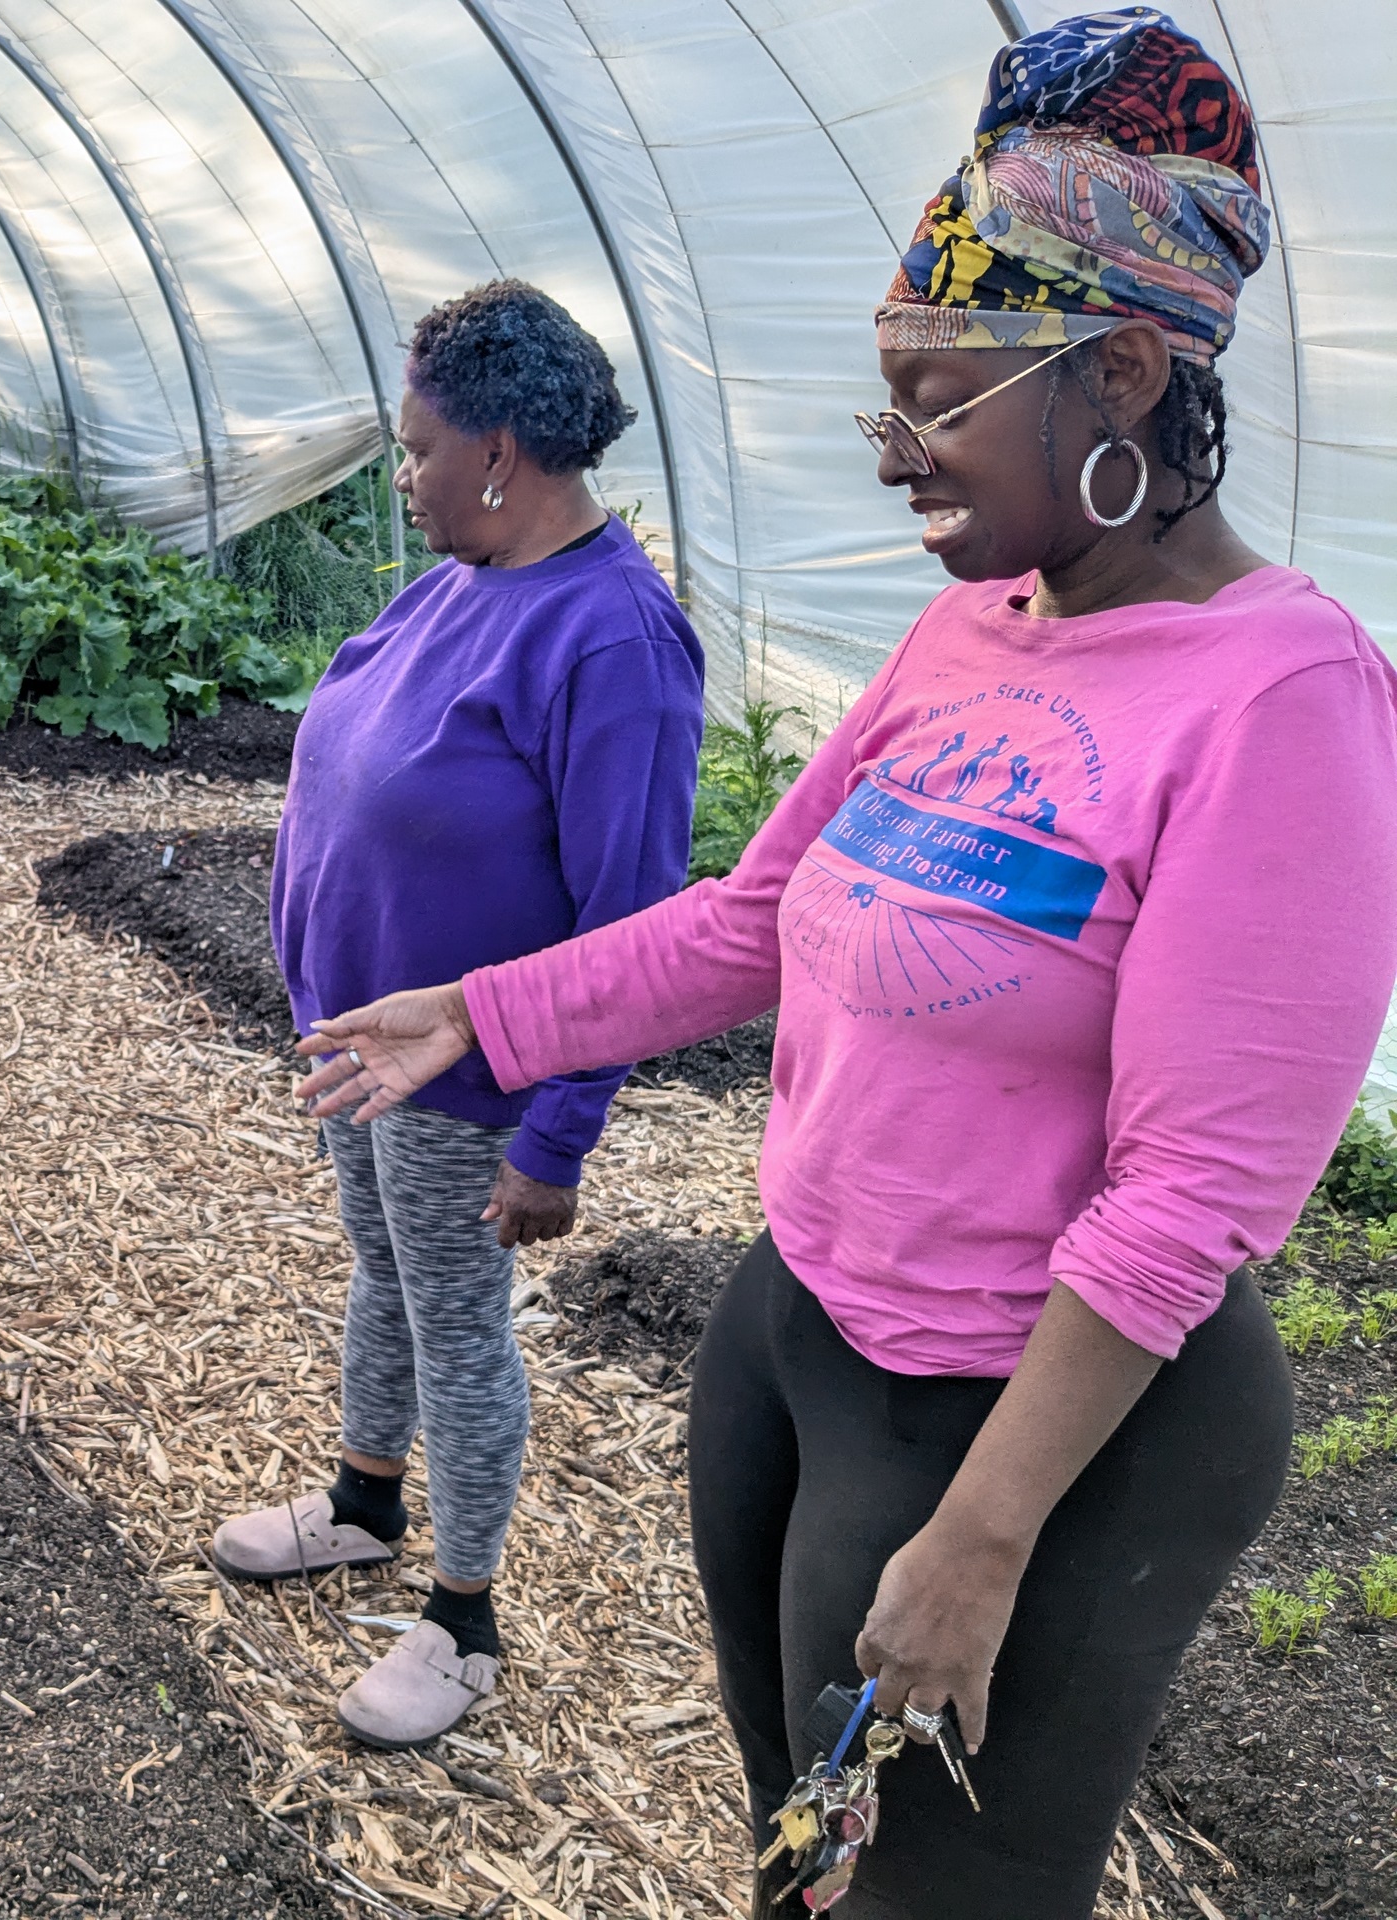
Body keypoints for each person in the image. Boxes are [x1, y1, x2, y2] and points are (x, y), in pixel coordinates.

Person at [292, 13, 1397, 1915]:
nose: (898, 459)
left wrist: (982, 1539)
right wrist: (487, 1011)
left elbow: (1196, 1194)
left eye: (939, 398)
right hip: (809, 1324)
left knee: (933, 1893)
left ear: (1120, 374)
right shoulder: (977, 634)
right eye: (891, 402)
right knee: (800, 1855)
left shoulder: (1283, 701)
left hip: (1026, 1421)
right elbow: (747, 922)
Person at [208, 281, 705, 1749]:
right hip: (360, 1047)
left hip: (467, 1079)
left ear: (499, 450)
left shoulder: (613, 643)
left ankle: (463, 1618)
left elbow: (632, 923)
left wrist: (557, 1137)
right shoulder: (459, 580)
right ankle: (364, 1500)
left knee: (461, 1323)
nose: (402, 472)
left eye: (420, 446)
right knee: (386, 1273)